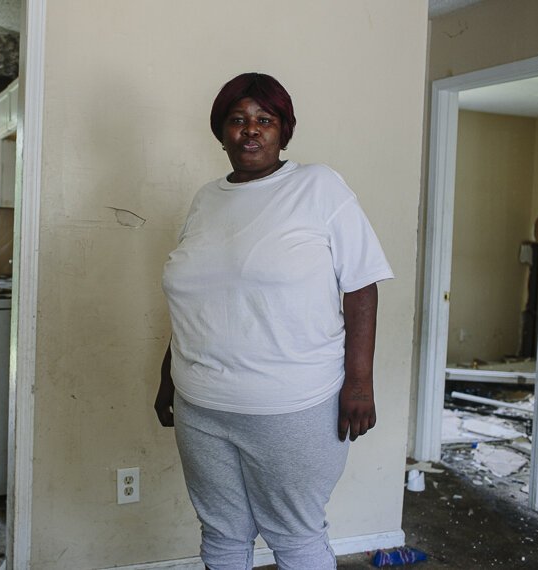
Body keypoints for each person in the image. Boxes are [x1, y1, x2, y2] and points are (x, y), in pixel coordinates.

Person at [155, 72, 394, 569]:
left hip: (291, 406)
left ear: (284, 131)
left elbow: (361, 286)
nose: (251, 131)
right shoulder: (206, 200)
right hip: (200, 404)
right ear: (221, 131)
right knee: (221, 533)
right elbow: (199, 297)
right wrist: (167, 375)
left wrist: (360, 382)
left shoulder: (319, 186)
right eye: (238, 120)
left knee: (295, 537)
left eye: (265, 120)